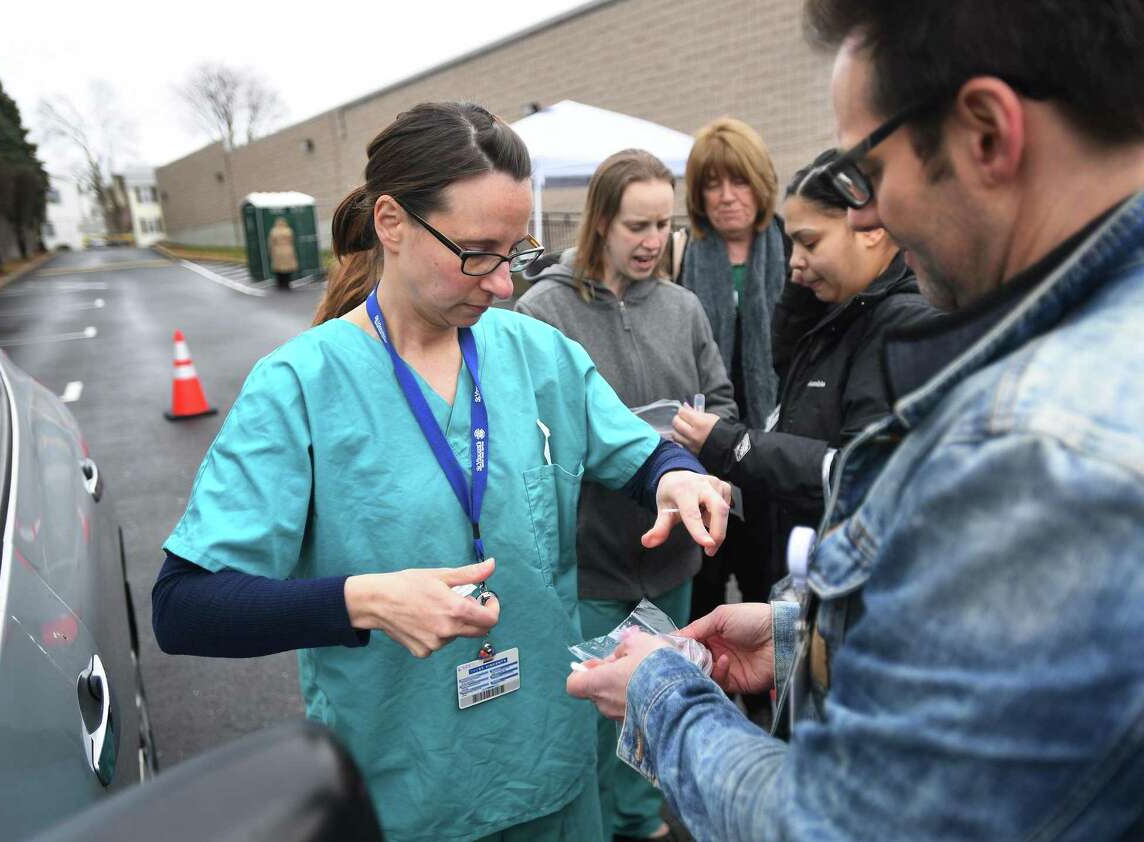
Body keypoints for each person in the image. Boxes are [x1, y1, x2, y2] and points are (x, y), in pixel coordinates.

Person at [567, 0, 1144, 838]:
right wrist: (813, 633)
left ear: (986, 133)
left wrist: (664, 696)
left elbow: (839, 825)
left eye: (864, 174)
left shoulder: (1037, 449)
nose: (867, 219)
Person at [152, 102, 731, 842]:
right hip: (404, 796)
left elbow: (639, 450)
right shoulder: (301, 385)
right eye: (477, 251)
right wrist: (363, 601)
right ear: (391, 223)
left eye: (514, 252)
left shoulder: (535, 354)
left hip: (550, 775)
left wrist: (675, 475)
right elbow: (185, 604)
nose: (499, 285)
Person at [516, 149, 736, 842]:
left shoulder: (684, 306)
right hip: (587, 562)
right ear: (600, 221)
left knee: (650, 706)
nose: (651, 241)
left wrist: (702, 457)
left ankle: (644, 826)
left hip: (671, 563)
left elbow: (722, 402)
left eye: (662, 225)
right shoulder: (540, 312)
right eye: (637, 224)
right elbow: (527, 441)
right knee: (581, 719)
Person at [671, 148, 936, 599]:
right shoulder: (841, 314)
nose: (794, 262)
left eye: (809, 243)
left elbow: (851, 472)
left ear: (870, 228)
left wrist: (732, 444)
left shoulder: (899, 327)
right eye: (792, 244)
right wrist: (802, 297)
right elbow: (795, 392)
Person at [677, 118, 792, 627]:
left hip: (774, 450)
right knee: (702, 585)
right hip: (703, 452)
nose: (726, 197)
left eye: (738, 181)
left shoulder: (792, 247)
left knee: (768, 583)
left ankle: (769, 700)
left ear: (761, 183)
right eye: (712, 184)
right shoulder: (682, 254)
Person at [267, 216, 298, 288]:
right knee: (287, 268)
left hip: (277, 251)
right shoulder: (288, 231)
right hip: (288, 250)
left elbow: (271, 243)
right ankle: (287, 283)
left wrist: (270, 251)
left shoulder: (274, 231)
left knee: (279, 268)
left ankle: (280, 283)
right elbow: (292, 240)